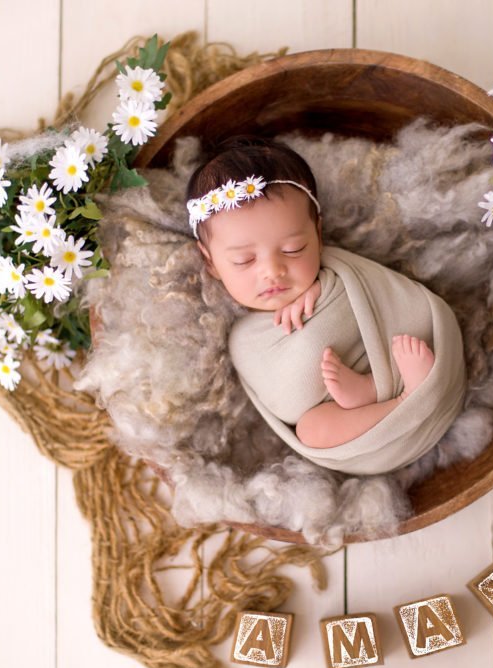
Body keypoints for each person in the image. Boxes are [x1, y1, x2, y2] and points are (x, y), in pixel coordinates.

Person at [187, 135, 438, 449]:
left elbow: (391, 298)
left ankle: (389, 387)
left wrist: (326, 288)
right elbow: (287, 405)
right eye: (244, 260)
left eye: (293, 249)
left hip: (401, 358)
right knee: (311, 430)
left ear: (318, 235)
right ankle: (401, 402)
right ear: (210, 263)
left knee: (411, 339)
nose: (272, 270)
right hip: (357, 429)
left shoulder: (336, 276)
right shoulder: (242, 337)